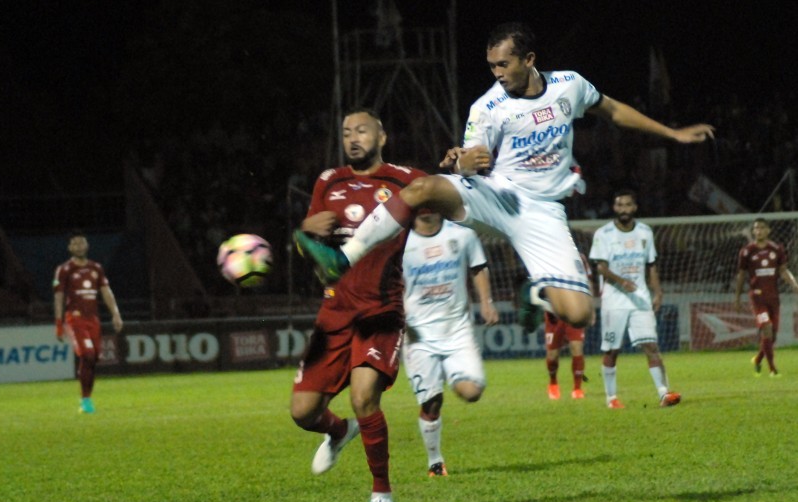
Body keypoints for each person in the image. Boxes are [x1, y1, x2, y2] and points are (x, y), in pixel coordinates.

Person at [294, 21, 714, 333]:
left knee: (580, 315)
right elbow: (468, 157)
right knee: (421, 187)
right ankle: (342, 259)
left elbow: (614, 110)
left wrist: (672, 133)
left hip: (543, 212)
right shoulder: (488, 107)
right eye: (491, 65)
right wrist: (461, 163)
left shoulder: (570, 86)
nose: (497, 73)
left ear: (529, 60)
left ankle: (535, 291)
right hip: (495, 194)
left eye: (504, 64)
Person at [290, 108, 426, 502]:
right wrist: (305, 233)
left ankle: (381, 491)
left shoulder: (406, 180)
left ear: (381, 135)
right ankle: (338, 431)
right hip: (335, 309)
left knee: (364, 396)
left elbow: (447, 198)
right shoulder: (328, 182)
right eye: (346, 131)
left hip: (381, 309)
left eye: (362, 130)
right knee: (302, 413)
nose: (353, 137)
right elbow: (312, 252)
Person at [400, 210, 499, 477]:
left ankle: (449, 373)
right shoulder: (400, 241)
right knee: (431, 403)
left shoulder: (462, 235)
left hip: (457, 330)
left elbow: (478, 267)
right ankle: (435, 461)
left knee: (471, 392)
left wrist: (486, 303)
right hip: (417, 334)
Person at [589, 189, 681, 409]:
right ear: (614, 208)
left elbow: (651, 265)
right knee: (612, 350)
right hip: (614, 300)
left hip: (640, 298)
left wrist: (658, 292)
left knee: (651, 345)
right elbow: (600, 267)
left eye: (627, 205)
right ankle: (611, 398)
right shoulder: (604, 233)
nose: (623, 209)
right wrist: (621, 282)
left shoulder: (645, 232)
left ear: (635, 208)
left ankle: (663, 394)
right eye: (619, 205)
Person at [53, 230, 123, 414]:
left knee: (93, 359)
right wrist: (59, 323)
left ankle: (87, 398)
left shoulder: (96, 268)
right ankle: (84, 401)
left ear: (87, 245)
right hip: (74, 318)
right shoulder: (64, 269)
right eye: (75, 243)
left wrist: (115, 313)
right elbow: (59, 296)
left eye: (81, 243)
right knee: (88, 354)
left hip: (93, 319)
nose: (79, 246)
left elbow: (106, 292)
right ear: (69, 247)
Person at [733, 218, 798, 377]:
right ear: (753, 231)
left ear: (768, 230)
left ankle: (758, 359)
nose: (759, 231)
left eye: (762, 228)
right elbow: (741, 275)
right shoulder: (747, 251)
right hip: (757, 298)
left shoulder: (777, 249)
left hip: (773, 297)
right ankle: (772, 370)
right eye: (756, 228)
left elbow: (783, 270)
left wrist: (794, 285)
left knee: (772, 336)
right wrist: (737, 297)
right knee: (767, 329)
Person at [544, 253, 593, 400]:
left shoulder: (579, 257)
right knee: (552, 355)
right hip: (554, 310)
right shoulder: (545, 256)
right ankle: (553, 383)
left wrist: (590, 308)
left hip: (575, 307)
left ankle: (577, 389)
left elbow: (587, 282)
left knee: (577, 347)